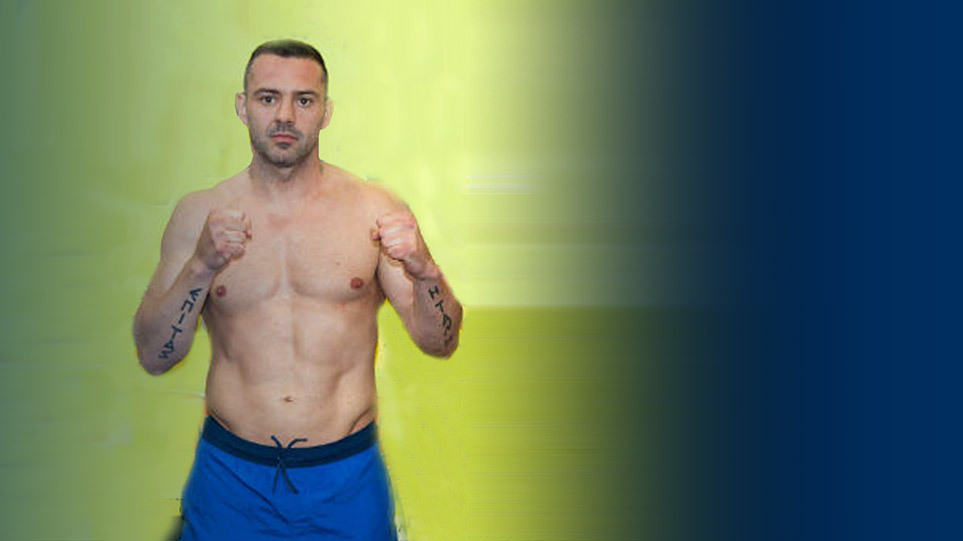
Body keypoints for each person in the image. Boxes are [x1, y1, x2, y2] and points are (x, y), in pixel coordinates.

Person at [133, 39, 462, 540]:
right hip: (230, 478)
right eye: (268, 98)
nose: (285, 115)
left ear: (325, 112)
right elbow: (154, 355)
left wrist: (425, 269)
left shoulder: (373, 211)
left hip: (346, 479)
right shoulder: (199, 214)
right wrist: (201, 265)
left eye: (303, 100)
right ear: (243, 107)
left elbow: (440, 342)